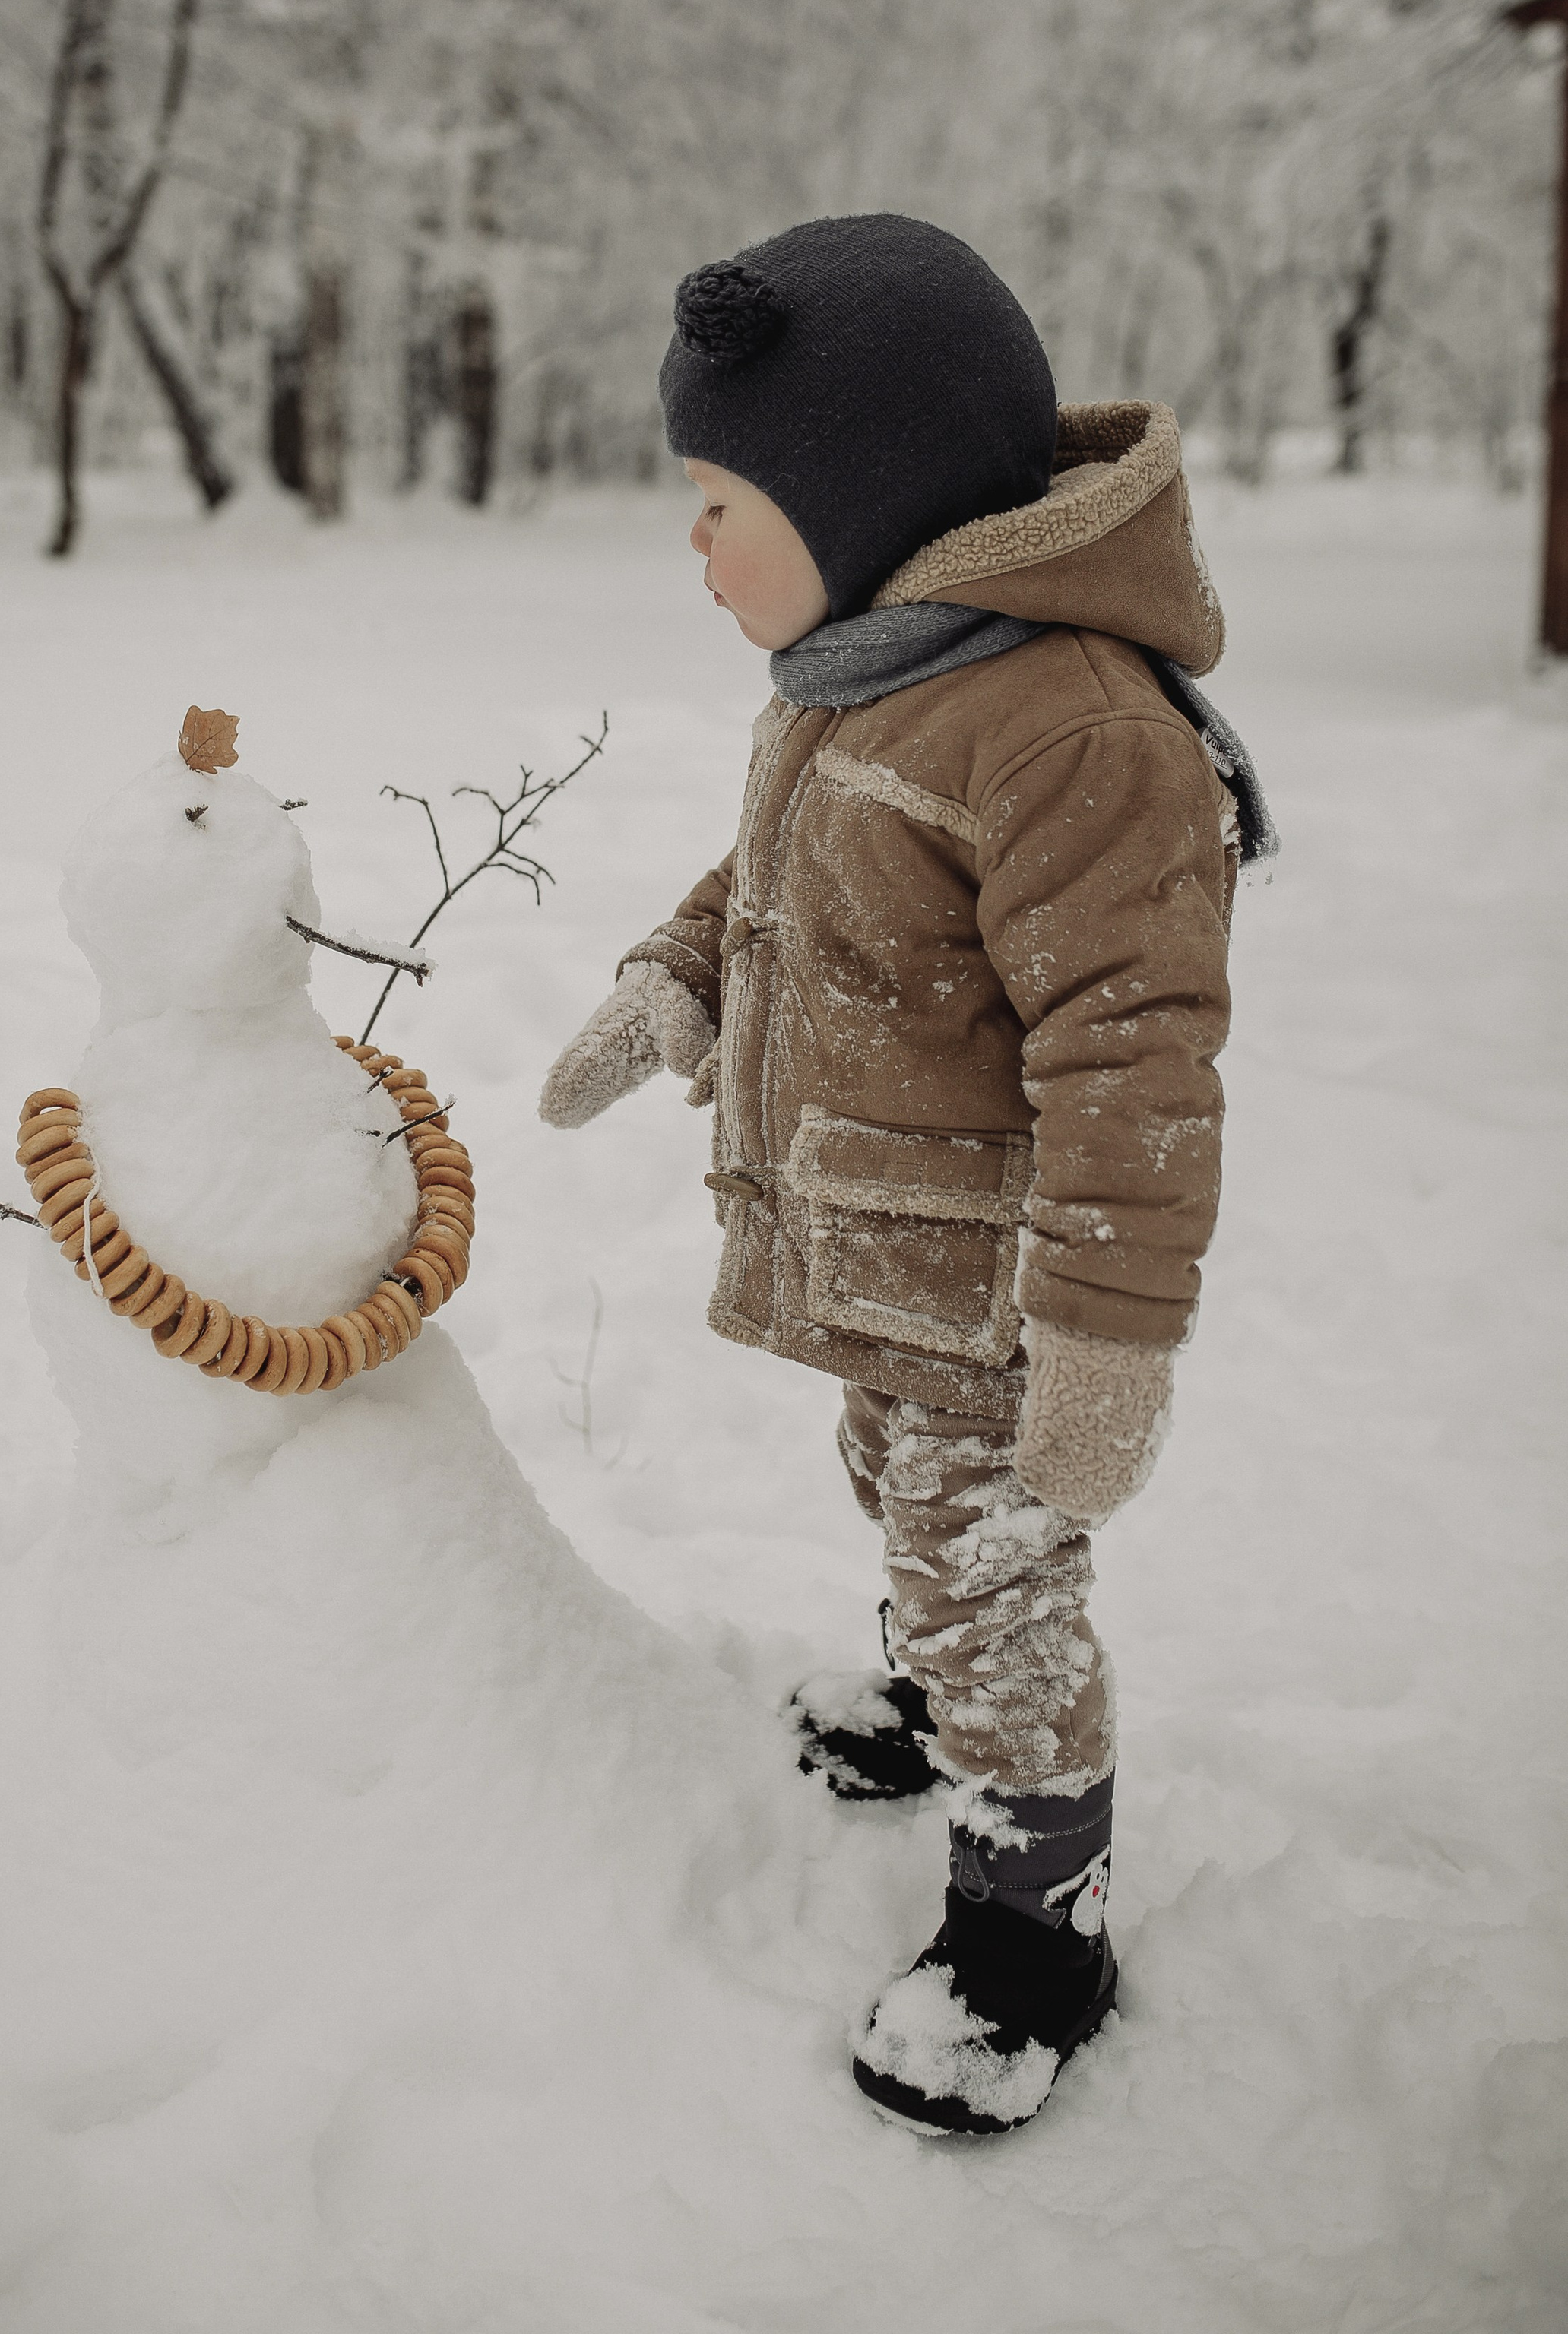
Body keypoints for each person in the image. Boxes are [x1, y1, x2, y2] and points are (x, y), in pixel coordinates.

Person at [539, 212, 1270, 2138]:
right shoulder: (870, 672)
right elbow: (771, 878)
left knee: (989, 1579)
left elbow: (1135, 1059)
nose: (693, 540)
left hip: (1010, 1292)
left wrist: (1105, 1341)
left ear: (862, 489)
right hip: (888, 1269)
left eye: (720, 495)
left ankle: (1037, 1922)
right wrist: (678, 977)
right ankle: (948, 1703)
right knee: (902, 1498)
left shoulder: (1071, 733)